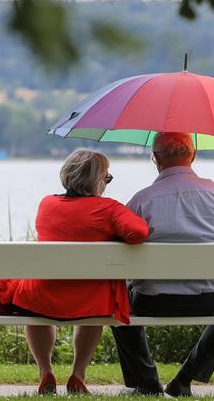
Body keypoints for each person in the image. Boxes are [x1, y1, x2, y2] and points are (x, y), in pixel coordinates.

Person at [111, 132, 214, 397]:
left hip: (153, 301)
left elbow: (117, 253)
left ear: (155, 158)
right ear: (193, 155)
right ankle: (185, 379)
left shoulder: (142, 199)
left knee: (117, 304)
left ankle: (147, 382)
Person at [9, 149, 149, 395]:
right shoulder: (109, 209)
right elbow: (138, 233)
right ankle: (78, 374)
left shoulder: (47, 204)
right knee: (93, 301)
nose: (106, 184)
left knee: (35, 298)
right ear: (97, 180)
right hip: (88, 300)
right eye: (107, 178)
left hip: (43, 296)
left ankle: (45, 371)